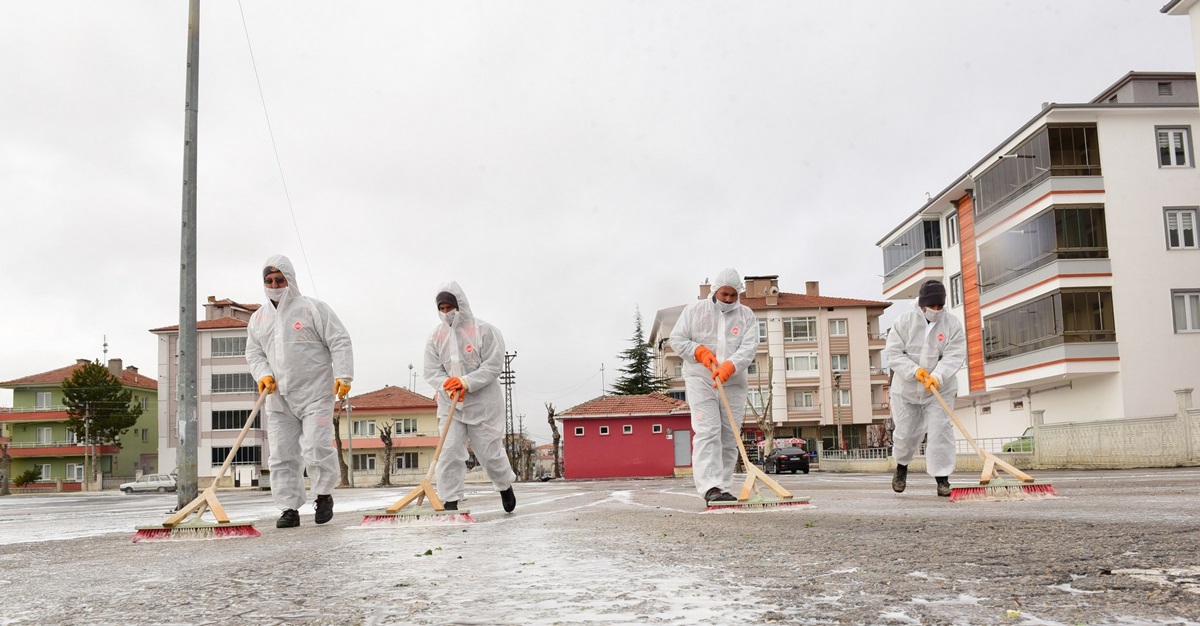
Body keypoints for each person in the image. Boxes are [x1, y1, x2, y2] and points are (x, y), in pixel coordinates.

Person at [245, 255, 354, 528]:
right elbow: (254, 353)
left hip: (315, 393)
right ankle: (289, 508)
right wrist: (264, 375)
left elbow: (339, 340)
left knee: (317, 445)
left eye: (280, 280)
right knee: (281, 454)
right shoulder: (258, 319)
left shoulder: (312, 309)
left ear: (290, 280)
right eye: (269, 281)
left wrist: (343, 374)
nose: (274, 285)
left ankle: (323, 494)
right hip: (278, 398)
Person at [424, 281, 516, 513]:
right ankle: (450, 501)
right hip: (450, 405)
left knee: (489, 452)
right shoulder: (436, 337)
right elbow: (431, 370)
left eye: (449, 307)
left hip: (482, 404)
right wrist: (446, 384)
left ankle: (504, 485)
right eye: (442, 308)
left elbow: (493, 365)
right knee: (449, 451)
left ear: (460, 305)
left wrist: (466, 382)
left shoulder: (484, 330)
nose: (446, 313)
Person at [669, 268, 759, 505]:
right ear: (714, 291)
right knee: (708, 431)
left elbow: (749, 348)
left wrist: (731, 365)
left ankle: (723, 488)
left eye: (733, 295)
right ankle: (710, 487)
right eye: (724, 294)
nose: (728, 299)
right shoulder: (694, 311)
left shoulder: (747, 316)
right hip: (701, 380)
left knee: (729, 436)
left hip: (733, 382)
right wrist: (697, 351)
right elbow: (677, 339)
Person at [883, 279, 966, 497]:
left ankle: (942, 479)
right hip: (907, 390)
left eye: (940, 306)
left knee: (941, 431)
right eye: (933, 306)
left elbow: (954, 355)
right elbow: (893, 354)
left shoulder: (952, 325)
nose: (936, 310)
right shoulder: (904, 322)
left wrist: (937, 376)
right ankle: (901, 468)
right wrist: (915, 371)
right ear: (922, 304)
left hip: (940, 388)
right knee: (906, 434)